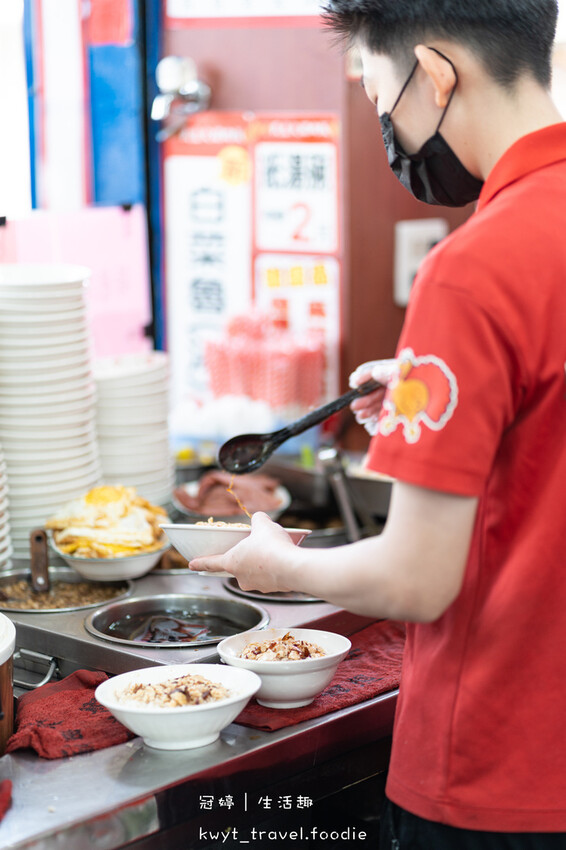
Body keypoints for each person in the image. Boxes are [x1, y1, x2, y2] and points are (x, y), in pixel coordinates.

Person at [189, 1, 566, 846]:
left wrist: (279, 567)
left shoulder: (474, 269)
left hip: (496, 768)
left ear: (435, 75)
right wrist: (457, 383)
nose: (387, 129)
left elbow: (415, 580)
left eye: (379, 96)